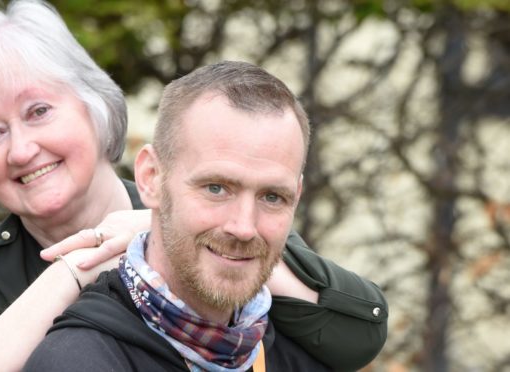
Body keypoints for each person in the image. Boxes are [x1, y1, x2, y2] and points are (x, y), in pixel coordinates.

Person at [0, 1, 387, 371]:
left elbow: (359, 334)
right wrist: (81, 267)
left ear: (94, 106)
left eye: (38, 111)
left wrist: (170, 232)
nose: (21, 150)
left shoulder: (223, 210)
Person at [24, 60, 333, 371]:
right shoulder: (79, 361)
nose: (243, 227)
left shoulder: (297, 357)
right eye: (216, 188)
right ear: (151, 178)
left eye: (272, 197)